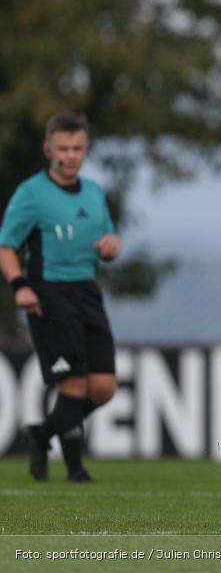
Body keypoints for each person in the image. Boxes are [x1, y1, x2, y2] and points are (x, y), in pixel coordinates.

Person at [0, 111, 121, 482]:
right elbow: (6, 246)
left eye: (77, 148)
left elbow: (109, 243)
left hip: (87, 291)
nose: (70, 155)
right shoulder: (32, 194)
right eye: (63, 148)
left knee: (102, 388)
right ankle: (75, 469)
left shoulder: (95, 193)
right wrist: (19, 286)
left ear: (86, 149)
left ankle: (41, 434)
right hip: (48, 293)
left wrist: (112, 248)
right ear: (48, 149)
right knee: (73, 383)